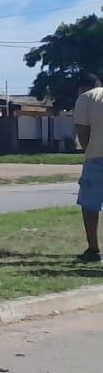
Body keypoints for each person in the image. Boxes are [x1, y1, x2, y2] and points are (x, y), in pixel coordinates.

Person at [74, 73, 102, 263]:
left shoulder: (85, 97)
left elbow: (83, 132)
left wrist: (88, 150)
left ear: (82, 87)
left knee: (90, 205)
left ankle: (94, 250)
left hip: (98, 157)